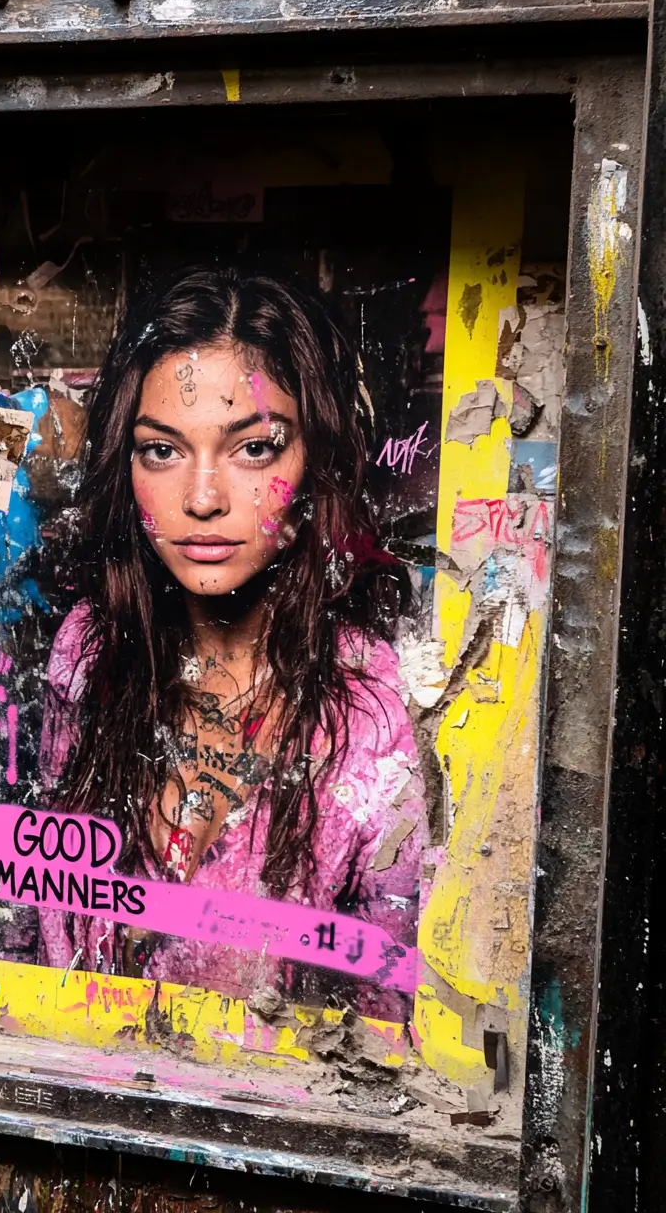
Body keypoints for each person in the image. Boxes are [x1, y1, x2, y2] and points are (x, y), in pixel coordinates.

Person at [37, 264, 429, 1019]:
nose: (203, 497)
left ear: (313, 462)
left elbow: (391, 1013)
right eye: (162, 450)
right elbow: (30, 929)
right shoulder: (88, 652)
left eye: (254, 449)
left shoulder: (373, 707)